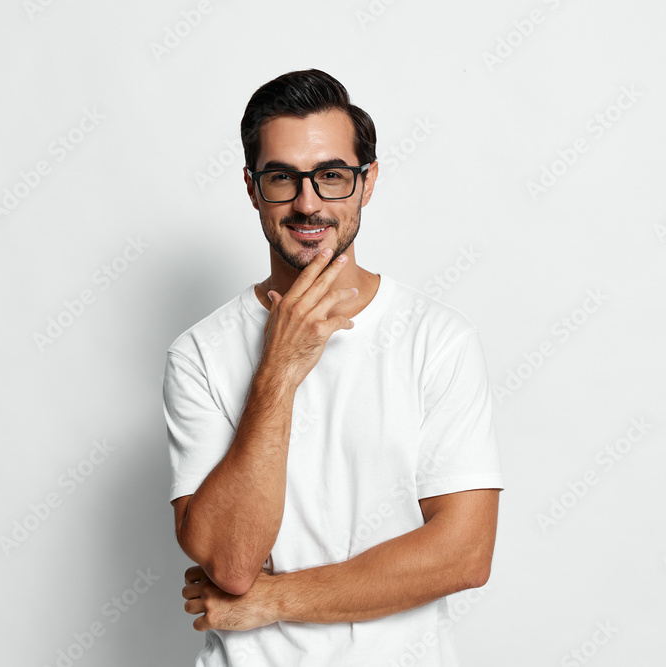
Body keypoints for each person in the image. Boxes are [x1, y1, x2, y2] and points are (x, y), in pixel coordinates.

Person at [163, 68, 504, 666]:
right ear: (251, 187)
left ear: (366, 183)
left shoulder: (437, 339)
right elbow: (231, 561)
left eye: (331, 176)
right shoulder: (199, 354)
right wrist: (279, 367)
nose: (307, 202)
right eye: (281, 178)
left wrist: (274, 601)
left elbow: (464, 554)